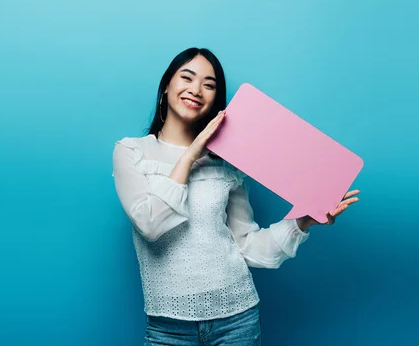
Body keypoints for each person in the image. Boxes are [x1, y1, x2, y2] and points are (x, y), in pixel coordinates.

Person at [111, 47, 360, 346]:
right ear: (166, 87)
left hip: (237, 320)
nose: (196, 90)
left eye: (209, 85)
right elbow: (150, 225)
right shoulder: (131, 152)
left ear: (216, 99)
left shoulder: (227, 164)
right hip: (167, 329)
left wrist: (304, 220)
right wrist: (191, 155)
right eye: (187, 78)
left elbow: (249, 247)